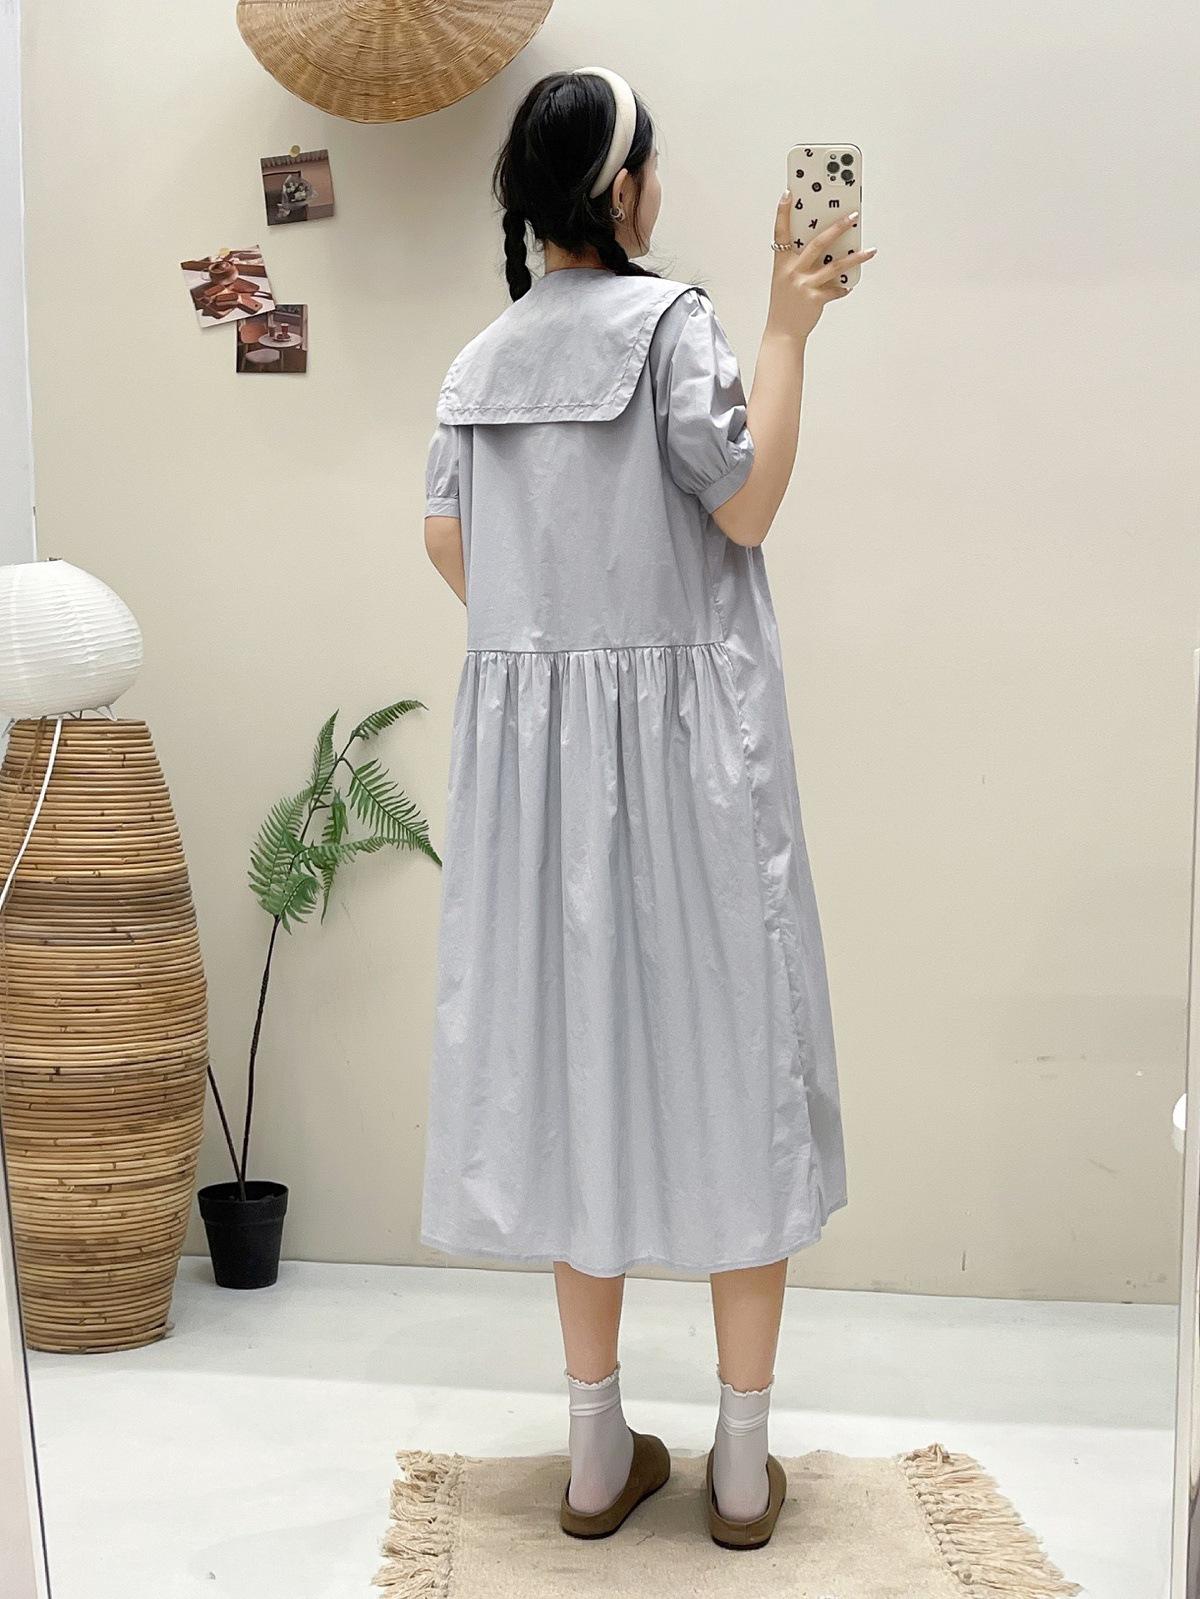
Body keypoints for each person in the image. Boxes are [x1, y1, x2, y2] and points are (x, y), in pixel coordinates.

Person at [419, 65, 875, 1549]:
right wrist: (787, 330)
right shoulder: (676, 326)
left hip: (539, 799)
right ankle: (740, 1470)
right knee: (735, 1076)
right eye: (653, 168)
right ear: (624, 190)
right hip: (692, 774)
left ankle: (596, 1456)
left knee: (577, 1087)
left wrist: (560, 646)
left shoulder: (478, 361)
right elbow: (745, 504)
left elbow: (450, 548)